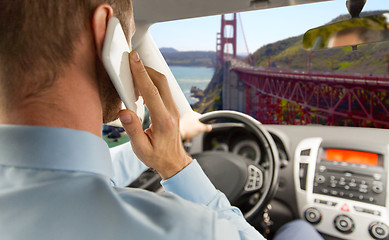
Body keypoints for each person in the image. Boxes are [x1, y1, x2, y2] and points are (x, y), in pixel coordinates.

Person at [0, 1, 323, 239]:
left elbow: (65, 170)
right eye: (127, 42)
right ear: (102, 34)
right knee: (299, 230)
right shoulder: (187, 230)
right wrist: (177, 166)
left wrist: (165, 143)